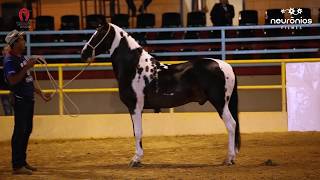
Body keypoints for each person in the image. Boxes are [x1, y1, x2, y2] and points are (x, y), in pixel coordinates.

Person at [3, 29, 52, 175]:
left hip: (28, 99)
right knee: (20, 131)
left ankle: (22, 162)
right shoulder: (10, 60)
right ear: (15, 43)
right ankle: (17, 165)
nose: (24, 42)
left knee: (26, 131)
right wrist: (26, 67)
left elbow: (28, 79)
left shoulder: (21, 57)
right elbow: (12, 81)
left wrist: (40, 93)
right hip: (21, 100)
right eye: (21, 40)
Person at [1, 45, 14, 115]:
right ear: (2, 52)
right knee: (7, 110)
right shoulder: (1, 61)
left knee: (18, 109)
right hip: (3, 89)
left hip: (14, 89)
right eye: (5, 50)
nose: (7, 52)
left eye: (8, 50)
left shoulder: (14, 60)